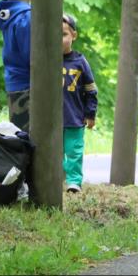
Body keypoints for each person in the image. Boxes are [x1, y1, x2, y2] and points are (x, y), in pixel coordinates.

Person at [0, 0, 33, 132]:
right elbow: (32, 57)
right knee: (34, 144)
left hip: (15, 86)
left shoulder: (9, 15)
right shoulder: (27, 18)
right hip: (29, 88)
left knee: (23, 142)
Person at [61, 14, 98, 193]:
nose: (59, 40)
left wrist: (90, 114)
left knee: (74, 152)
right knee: (54, 152)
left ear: (73, 35)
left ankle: (74, 181)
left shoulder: (80, 61)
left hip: (74, 117)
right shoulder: (46, 58)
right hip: (51, 120)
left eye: (63, 35)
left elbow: (91, 90)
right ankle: (57, 177)